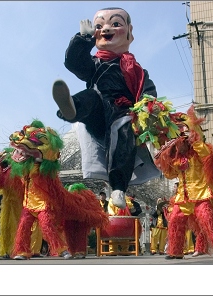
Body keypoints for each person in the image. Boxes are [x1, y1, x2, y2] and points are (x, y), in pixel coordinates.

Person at [52, 6, 160, 210]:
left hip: (122, 114)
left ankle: (119, 187)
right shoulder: (95, 64)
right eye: (99, 26)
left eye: (116, 23)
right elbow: (74, 63)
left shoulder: (138, 70)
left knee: (124, 133)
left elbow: (148, 94)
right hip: (99, 112)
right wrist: (82, 40)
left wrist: (148, 109)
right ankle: (72, 109)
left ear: (129, 32)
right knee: (91, 97)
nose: (107, 29)